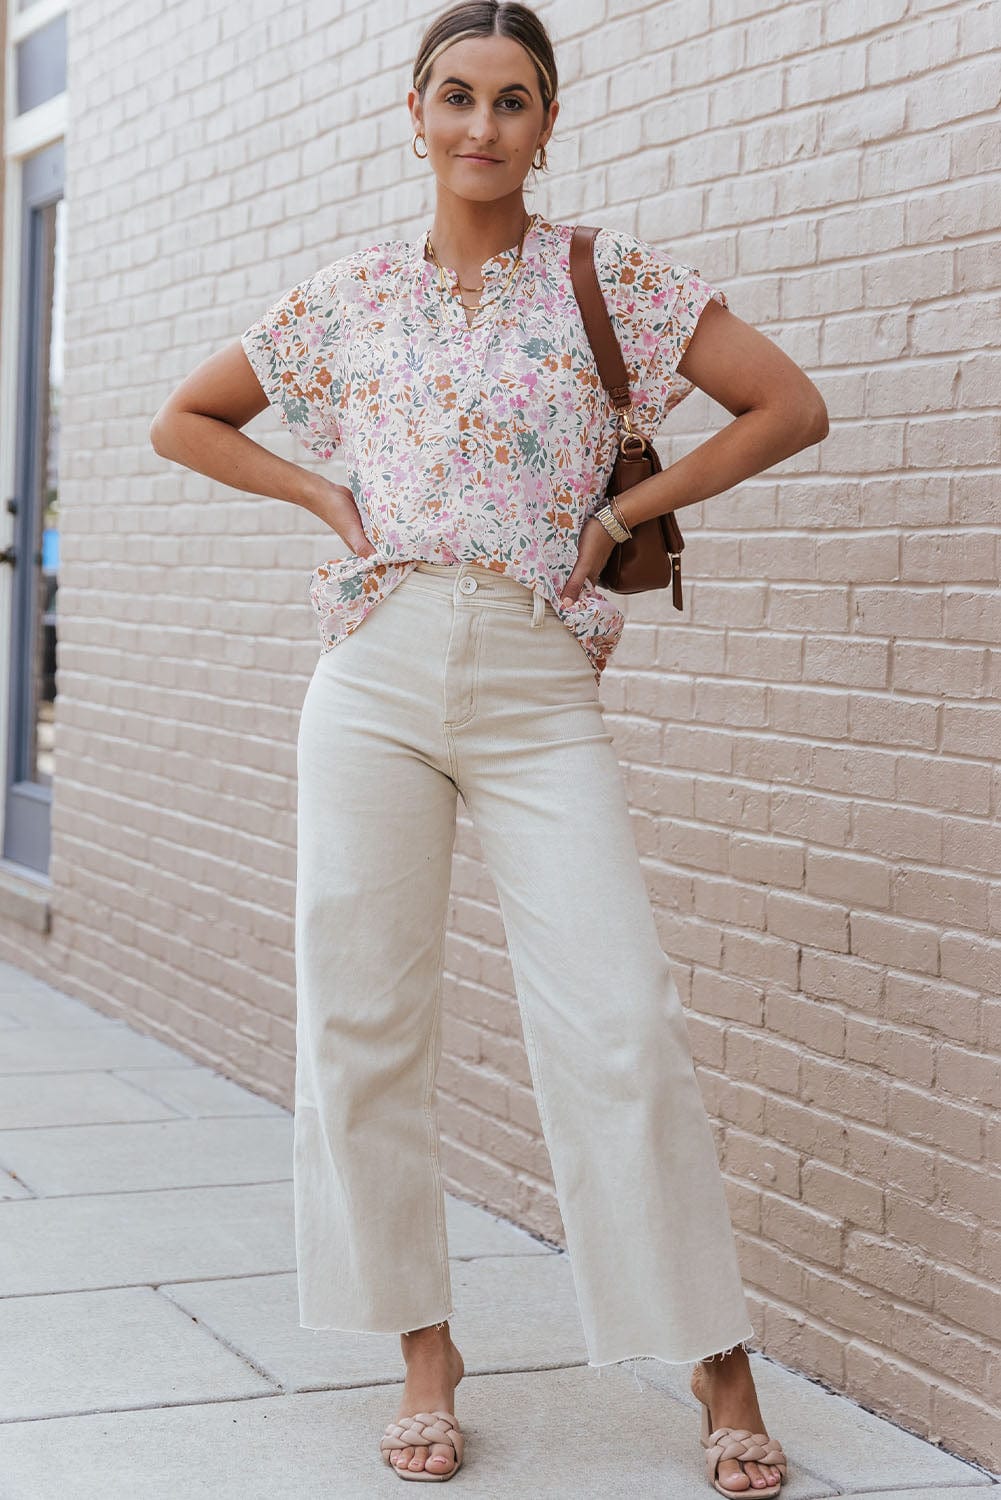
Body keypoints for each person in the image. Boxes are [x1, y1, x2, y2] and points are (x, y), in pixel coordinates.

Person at [150, 1, 828, 1487]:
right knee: (360, 1019)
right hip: (374, 676)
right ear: (410, 111)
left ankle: (714, 1364)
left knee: (618, 1022)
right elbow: (187, 420)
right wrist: (324, 503)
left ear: (545, 122)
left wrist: (623, 512)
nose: (480, 126)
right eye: (453, 96)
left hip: (535, 684)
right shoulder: (344, 296)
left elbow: (787, 405)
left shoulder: (611, 279)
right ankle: (421, 1345)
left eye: (511, 101)